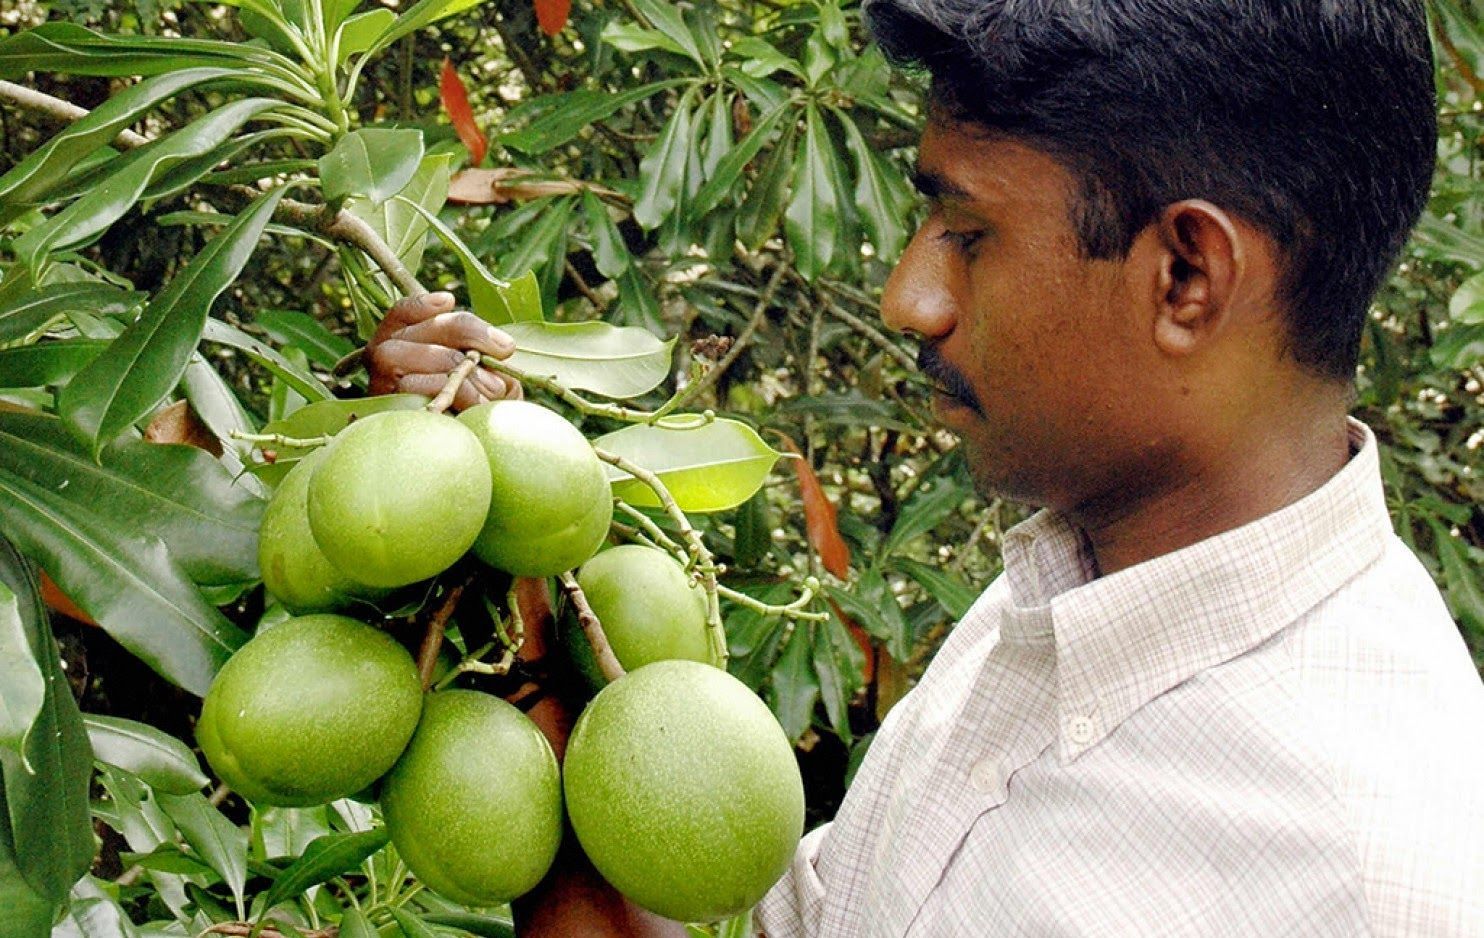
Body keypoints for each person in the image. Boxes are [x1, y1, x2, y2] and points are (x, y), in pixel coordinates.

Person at [367, 0, 1484, 934]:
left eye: (968, 232)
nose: (910, 297)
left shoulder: (1368, 869)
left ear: (1185, 275)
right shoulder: (1064, 597)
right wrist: (500, 554)